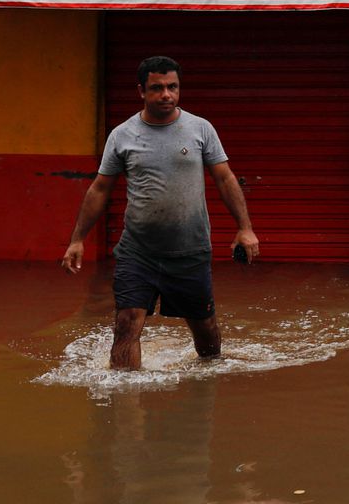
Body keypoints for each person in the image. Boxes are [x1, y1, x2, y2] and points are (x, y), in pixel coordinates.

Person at [61, 56, 260, 371]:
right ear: (141, 90)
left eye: (172, 87)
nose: (166, 94)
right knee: (127, 322)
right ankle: (125, 405)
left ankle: (206, 387)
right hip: (137, 252)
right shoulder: (122, 135)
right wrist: (77, 240)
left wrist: (245, 228)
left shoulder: (200, 129)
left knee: (206, 336)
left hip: (190, 251)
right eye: (157, 88)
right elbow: (100, 189)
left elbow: (224, 178)